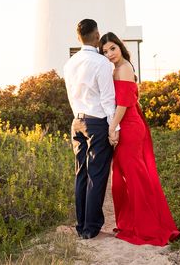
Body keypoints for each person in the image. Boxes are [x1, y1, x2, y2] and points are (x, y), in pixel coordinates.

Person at [99, 32, 180, 246]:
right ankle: (133, 222)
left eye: (112, 49)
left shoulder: (125, 67)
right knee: (126, 176)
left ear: (120, 47)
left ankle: (147, 225)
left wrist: (112, 128)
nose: (109, 54)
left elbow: (124, 102)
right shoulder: (114, 68)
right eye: (105, 51)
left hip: (128, 126)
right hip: (125, 123)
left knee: (135, 177)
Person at [63, 19, 116, 239]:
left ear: (78, 38)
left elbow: (71, 97)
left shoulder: (69, 64)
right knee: (96, 174)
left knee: (81, 173)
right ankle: (91, 227)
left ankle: (81, 224)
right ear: (96, 36)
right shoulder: (102, 63)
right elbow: (108, 99)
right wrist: (114, 127)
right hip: (97, 122)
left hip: (77, 121)